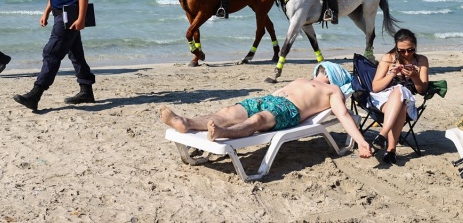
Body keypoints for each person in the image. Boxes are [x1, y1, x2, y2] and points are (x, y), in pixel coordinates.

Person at [159, 61, 373, 158]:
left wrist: (361, 141)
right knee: (228, 111)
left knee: (259, 119)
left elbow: (343, 115)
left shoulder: (333, 89)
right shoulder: (302, 78)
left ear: (334, 74)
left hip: (290, 110)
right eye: (322, 66)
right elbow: (279, 90)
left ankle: (224, 133)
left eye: (327, 67)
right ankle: (185, 122)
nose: (323, 67)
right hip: (270, 98)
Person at [14, 0, 96, 111]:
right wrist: (46, 11)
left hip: (70, 15)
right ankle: (86, 90)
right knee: (75, 54)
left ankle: (36, 94)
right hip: (58, 12)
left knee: (51, 53)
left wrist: (82, 18)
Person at [370, 28, 429, 164]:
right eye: (401, 51)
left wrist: (415, 77)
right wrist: (391, 74)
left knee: (400, 94)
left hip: (407, 101)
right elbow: (375, 87)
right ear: (396, 47)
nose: (407, 54)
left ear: (415, 46)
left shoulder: (421, 61)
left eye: (410, 49)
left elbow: (422, 90)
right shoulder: (388, 58)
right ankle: (391, 150)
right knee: (398, 93)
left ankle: (382, 135)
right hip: (384, 99)